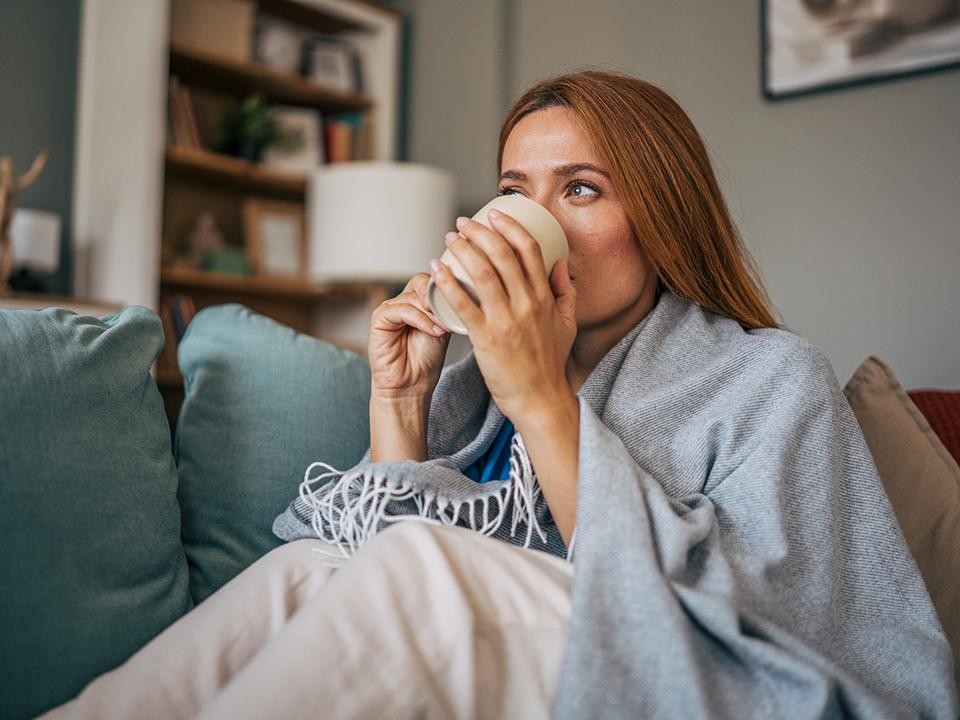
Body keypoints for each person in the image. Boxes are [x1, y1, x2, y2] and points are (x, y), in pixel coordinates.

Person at [48, 71, 956, 719]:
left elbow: (766, 621)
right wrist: (398, 410)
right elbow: (354, 565)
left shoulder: (767, 375)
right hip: (503, 655)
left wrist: (544, 399)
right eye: (516, 192)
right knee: (303, 570)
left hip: (684, 672)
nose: (538, 222)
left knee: (423, 565)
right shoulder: (469, 380)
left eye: (584, 189)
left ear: (664, 221)